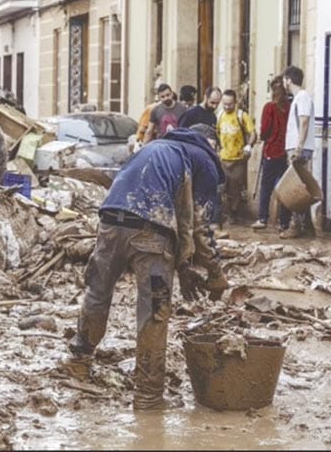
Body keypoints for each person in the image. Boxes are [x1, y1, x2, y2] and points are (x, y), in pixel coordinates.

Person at [65, 127, 227, 410]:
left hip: (110, 220)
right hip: (151, 230)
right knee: (154, 311)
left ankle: (79, 360)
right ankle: (148, 396)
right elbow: (199, 224)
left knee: (97, 292)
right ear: (212, 144)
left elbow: (181, 216)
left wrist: (184, 267)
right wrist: (216, 273)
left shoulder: (156, 147)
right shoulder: (204, 159)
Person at [279, 65, 317, 239]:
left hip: (298, 149)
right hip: (297, 147)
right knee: (301, 187)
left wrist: (298, 148)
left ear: (288, 80)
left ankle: (295, 226)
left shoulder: (302, 97)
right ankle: (307, 226)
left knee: (296, 189)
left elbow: (304, 122)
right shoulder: (299, 98)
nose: (283, 83)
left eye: (284, 80)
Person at [252, 76, 291, 230]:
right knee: (285, 187)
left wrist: (264, 137)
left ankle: (263, 218)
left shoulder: (269, 107)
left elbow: (265, 129)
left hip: (271, 151)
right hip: (286, 152)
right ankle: (284, 222)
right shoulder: (289, 107)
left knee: (266, 187)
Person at [216, 90, 257, 225]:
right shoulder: (220, 115)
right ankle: (226, 213)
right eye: (224, 104)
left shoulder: (241, 116)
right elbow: (216, 134)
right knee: (224, 188)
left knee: (236, 188)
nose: (227, 107)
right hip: (223, 158)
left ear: (235, 103)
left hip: (238, 159)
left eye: (230, 104)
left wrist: (249, 146)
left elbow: (253, 133)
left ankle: (234, 213)